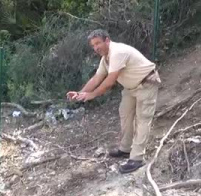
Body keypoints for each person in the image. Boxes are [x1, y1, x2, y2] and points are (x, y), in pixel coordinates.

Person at [67, 29, 161, 173]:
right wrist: (80, 93)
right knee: (125, 115)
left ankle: (137, 159)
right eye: (93, 45)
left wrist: (92, 95)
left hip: (146, 83)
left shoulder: (117, 52)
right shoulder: (105, 58)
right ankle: (125, 149)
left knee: (142, 120)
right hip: (131, 88)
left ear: (107, 40)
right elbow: (97, 78)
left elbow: (109, 81)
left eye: (98, 43)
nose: (96, 47)